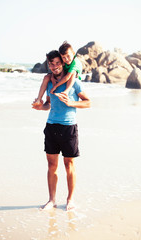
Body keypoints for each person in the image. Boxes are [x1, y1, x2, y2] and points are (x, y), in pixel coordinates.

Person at [32, 50, 90, 211]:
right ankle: (52, 200)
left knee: (68, 164)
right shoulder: (49, 81)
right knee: (51, 165)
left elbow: (88, 102)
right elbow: (48, 104)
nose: (55, 66)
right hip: (51, 126)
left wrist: (71, 103)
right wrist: (39, 107)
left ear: (63, 63)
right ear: (48, 65)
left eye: (58, 63)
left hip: (69, 127)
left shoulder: (74, 81)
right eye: (51, 64)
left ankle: (70, 200)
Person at [33, 41, 82, 106]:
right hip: (52, 115)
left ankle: (66, 92)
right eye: (64, 57)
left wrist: (55, 86)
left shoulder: (74, 63)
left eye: (57, 63)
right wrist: (52, 77)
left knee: (72, 74)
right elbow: (49, 103)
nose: (66, 59)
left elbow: (67, 76)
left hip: (75, 75)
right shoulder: (50, 82)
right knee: (46, 77)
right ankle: (39, 99)